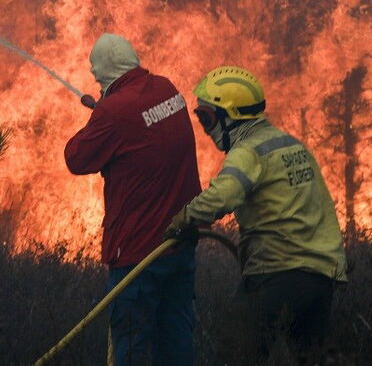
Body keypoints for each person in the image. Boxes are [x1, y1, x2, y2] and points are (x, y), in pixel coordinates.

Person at [165, 65, 347, 355]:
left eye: (206, 117)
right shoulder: (291, 146)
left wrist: (182, 219)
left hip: (278, 274)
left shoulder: (248, 150)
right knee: (308, 358)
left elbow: (222, 196)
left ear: (229, 115)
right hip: (321, 278)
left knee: (233, 351)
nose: (204, 126)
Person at [64, 34, 201, 366]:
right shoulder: (167, 89)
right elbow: (142, 133)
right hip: (179, 243)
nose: (95, 80)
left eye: (97, 75)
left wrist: (102, 117)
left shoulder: (113, 112)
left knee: (131, 345)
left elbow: (77, 159)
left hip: (137, 254)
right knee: (176, 341)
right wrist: (108, 114)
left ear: (106, 72)